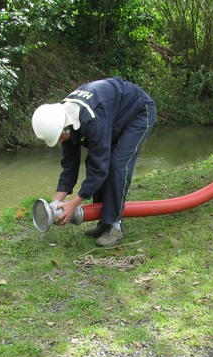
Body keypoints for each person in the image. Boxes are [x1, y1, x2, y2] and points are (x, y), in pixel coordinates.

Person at [31, 77, 156, 246]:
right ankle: (104, 221)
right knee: (93, 162)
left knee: (117, 165)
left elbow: (100, 168)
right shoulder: (62, 118)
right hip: (113, 115)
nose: (60, 141)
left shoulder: (91, 120)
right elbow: (70, 164)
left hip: (139, 112)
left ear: (65, 128)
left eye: (60, 137)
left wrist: (74, 204)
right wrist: (57, 200)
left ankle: (114, 226)